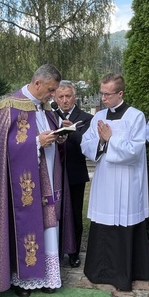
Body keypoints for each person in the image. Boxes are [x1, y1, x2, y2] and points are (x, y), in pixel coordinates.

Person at [0, 64, 75, 297]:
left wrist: (59, 135)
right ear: (37, 83)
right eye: (50, 90)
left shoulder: (45, 108)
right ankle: (23, 279)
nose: (52, 95)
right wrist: (36, 142)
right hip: (24, 183)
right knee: (25, 225)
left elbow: (49, 137)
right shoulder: (9, 106)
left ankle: (48, 277)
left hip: (48, 175)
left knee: (48, 226)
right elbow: (4, 150)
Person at [80, 73, 149, 291]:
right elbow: (86, 144)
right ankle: (99, 270)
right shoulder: (99, 116)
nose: (103, 98)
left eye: (107, 94)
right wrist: (100, 141)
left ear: (120, 93)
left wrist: (111, 138)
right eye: (102, 93)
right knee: (103, 224)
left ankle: (125, 273)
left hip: (127, 181)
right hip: (105, 181)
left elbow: (134, 150)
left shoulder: (135, 116)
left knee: (124, 222)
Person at [53, 80, 93, 268]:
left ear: (74, 96)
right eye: (60, 97)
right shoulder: (49, 116)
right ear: (55, 97)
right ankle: (56, 250)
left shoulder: (85, 117)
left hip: (75, 173)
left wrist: (71, 131)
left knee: (75, 214)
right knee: (55, 213)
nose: (65, 100)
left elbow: (87, 143)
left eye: (68, 96)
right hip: (54, 173)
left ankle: (74, 253)